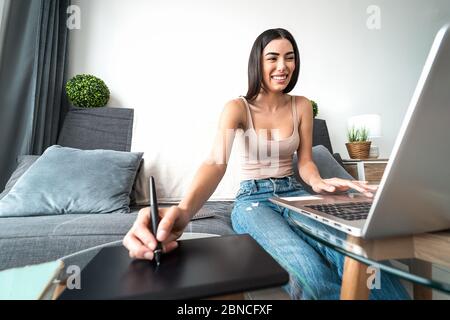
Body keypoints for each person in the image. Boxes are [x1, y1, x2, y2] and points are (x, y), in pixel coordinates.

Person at [123, 28, 409, 300]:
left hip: (296, 194)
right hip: (253, 200)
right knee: (308, 268)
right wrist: (184, 210)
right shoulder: (238, 108)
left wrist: (318, 182)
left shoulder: (302, 106)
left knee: (356, 255)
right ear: (257, 62)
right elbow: (216, 162)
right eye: (273, 58)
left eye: (290, 57)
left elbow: (306, 162)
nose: (282, 66)